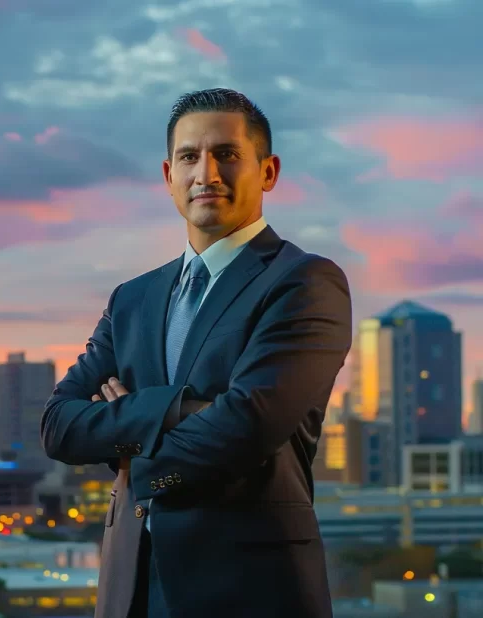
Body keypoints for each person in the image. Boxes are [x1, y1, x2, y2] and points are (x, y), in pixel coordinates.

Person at [40, 88, 351, 618]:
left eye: (227, 154)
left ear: (268, 172)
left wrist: (126, 442)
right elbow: (59, 426)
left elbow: (247, 426)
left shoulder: (304, 282)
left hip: (251, 590)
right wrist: (185, 409)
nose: (206, 173)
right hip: (132, 586)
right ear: (168, 176)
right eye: (189, 157)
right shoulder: (132, 299)